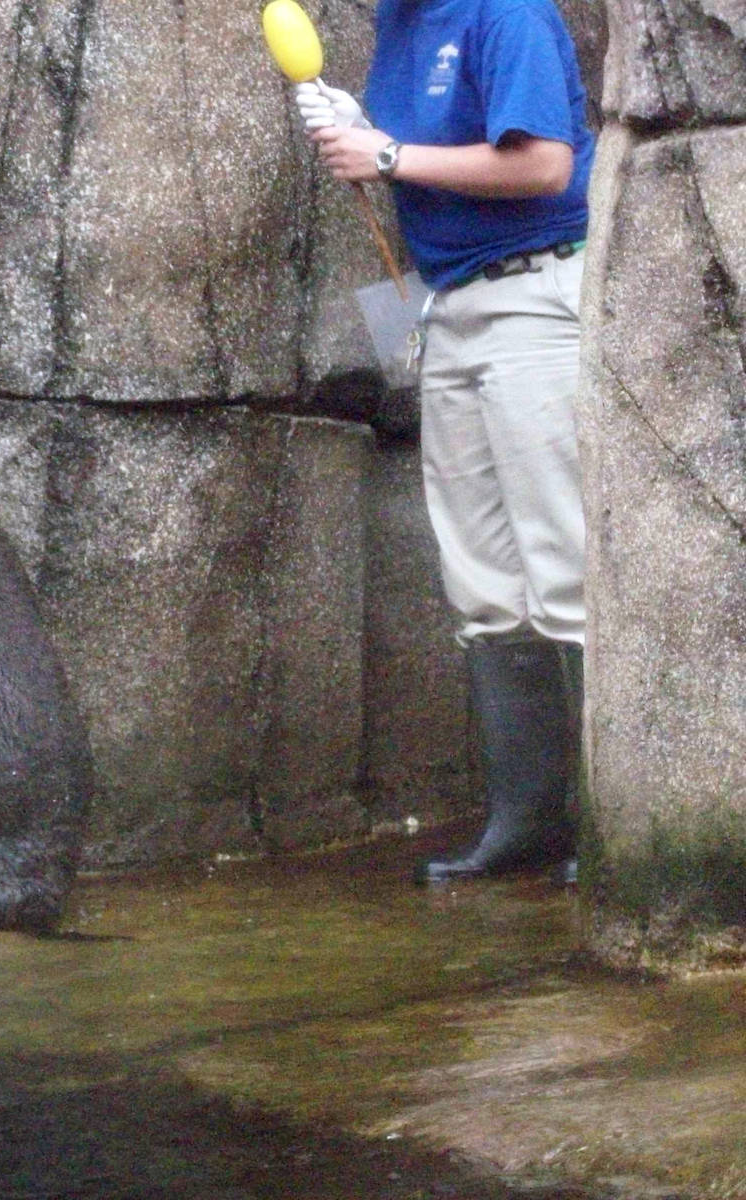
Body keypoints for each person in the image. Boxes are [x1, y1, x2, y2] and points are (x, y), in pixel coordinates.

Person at [295, 0, 596, 883]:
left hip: (536, 299)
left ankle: (610, 830)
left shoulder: (506, 12)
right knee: (483, 581)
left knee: (566, 560)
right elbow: (425, 147)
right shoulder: (398, 23)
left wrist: (389, 156)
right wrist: (365, 129)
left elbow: (545, 164)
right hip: (449, 306)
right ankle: (527, 826)